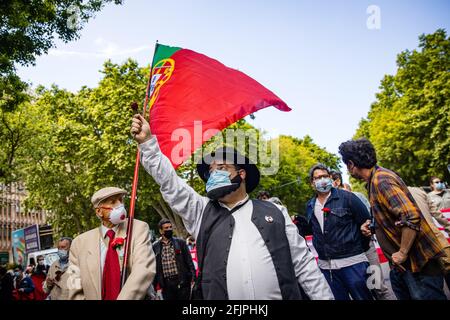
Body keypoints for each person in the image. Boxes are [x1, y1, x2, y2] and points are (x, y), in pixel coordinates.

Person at [130, 114, 333, 300]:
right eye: (211, 171)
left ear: (241, 174)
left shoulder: (275, 212)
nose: (214, 174)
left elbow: (304, 265)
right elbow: (170, 183)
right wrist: (148, 144)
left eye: (222, 168)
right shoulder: (200, 212)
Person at [339, 138, 447, 300]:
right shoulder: (374, 181)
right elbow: (394, 217)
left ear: (351, 164)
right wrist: (373, 226)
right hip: (404, 268)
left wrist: (403, 252)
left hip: (418, 265)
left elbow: (411, 216)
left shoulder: (382, 181)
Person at [68, 187, 156, 300]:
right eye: (113, 202)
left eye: (121, 200)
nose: (120, 205)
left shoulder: (138, 228)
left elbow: (143, 270)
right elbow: (74, 286)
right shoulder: (79, 244)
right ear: (99, 211)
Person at [306, 164, 373, 300]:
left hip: (353, 264)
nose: (322, 180)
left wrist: (359, 249)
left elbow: (366, 223)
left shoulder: (348, 198)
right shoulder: (310, 205)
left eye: (325, 176)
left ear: (331, 178)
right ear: (312, 183)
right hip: (327, 267)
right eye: (318, 178)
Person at [330, 170, 396, 300]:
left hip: (366, 251)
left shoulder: (356, 197)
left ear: (337, 182)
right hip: (350, 256)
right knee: (362, 290)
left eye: (328, 179)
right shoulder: (326, 204)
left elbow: (370, 219)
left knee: (378, 287)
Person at [408, 187, 450, 290]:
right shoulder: (418, 190)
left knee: (433, 281)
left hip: (419, 242)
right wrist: (448, 227)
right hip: (436, 236)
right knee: (448, 267)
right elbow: (436, 213)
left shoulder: (391, 195)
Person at [152, 218, 196, 300]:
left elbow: (189, 261)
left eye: (170, 227)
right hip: (166, 285)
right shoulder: (155, 246)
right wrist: (154, 285)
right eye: (166, 228)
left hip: (182, 281)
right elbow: (154, 266)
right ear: (161, 231)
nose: (169, 229)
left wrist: (193, 277)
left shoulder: (180, 243)